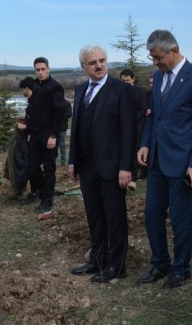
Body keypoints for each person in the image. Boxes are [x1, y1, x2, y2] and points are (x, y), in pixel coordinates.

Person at [137, 29, 192, 289]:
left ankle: (181, 269)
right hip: (157, 160)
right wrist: (145, 144)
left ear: (174, 50)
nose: (155, 62)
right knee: (151, 215)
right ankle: (160, 264)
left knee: (180, 219)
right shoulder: (158, 78)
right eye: (152, 58)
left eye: (158, 57)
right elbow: (154, 116)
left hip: (182, 163)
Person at [68, 45, 135, 283]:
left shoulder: (120, 90)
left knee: (114, 217)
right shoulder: (80, 90)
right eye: (92, 62)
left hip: (113, 166)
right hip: (86, 166)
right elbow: (76, 127)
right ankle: (97, 258)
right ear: (83, 67)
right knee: (94, 215)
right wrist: (72, 160)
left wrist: (126, 167)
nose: (98, 65)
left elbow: (129, 131)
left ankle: (117, 265)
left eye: (102, 60)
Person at [26, 57, 65, 215]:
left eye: (43, 69)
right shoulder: (35, 86)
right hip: (35, 134)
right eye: (37, 69)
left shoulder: (56, 87)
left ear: (48, 68)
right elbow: (32, 111)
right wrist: (29, 132)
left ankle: (47, 200)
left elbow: (60, 113)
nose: (40, 72)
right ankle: (45, 193)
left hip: (49, 134)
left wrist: (54, 136)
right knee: (32, 168)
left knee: (49, 169)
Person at [119, 68, 148, 185]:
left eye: (127, 80)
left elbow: (144, 108)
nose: (125, 83)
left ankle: (134, 177)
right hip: (121, 127)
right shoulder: (117, 92)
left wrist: (130, 119)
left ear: (133, 79)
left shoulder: (140, 91)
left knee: (135, 150)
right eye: (123, 81)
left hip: (137, 127)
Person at [14, 76, 40, 203]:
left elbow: (41, 121)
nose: (22, 92)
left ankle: (36, 193)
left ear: (27, 88)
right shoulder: (32, 101)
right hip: (32, 139)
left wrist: (25, 126)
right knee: (33, 168)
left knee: (33, 168)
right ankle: (38, 191)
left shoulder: (35, 102)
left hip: (35, 141)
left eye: (22, 90)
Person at [58, 99, 72, 166]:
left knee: (62, 145)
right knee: (53, 145)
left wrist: (61, 114)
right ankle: (53, 161)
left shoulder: (67, 103)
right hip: (53, 128)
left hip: (63, 127)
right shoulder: (52, 102)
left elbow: (70, 114)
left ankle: (63, 162)